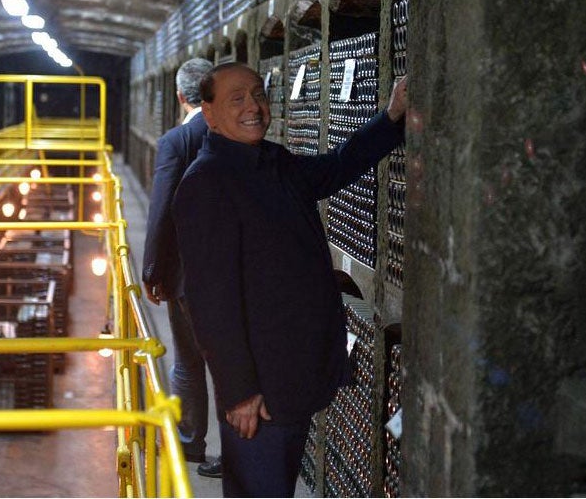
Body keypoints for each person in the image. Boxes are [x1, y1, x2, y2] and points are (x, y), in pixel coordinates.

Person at [172, 62, 407, 497]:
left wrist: (391, 117)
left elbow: (337, 167)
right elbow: (208, 303)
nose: (254, 107)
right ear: (208, 113)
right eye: (236, 99)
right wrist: (239, 392)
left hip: (292, 375)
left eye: (258, 95)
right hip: (260, 394)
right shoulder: (207, 183)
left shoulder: (272, 161)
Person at [141, 57, 222, 478]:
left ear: (179, 96)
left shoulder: (177, 140)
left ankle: (190, 442)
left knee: (188, 360)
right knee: (233, 364)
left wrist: (152, 269)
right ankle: (239, 454)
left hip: (188, 275)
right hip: (231, 272)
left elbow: (161, 210)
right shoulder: (234, 132)